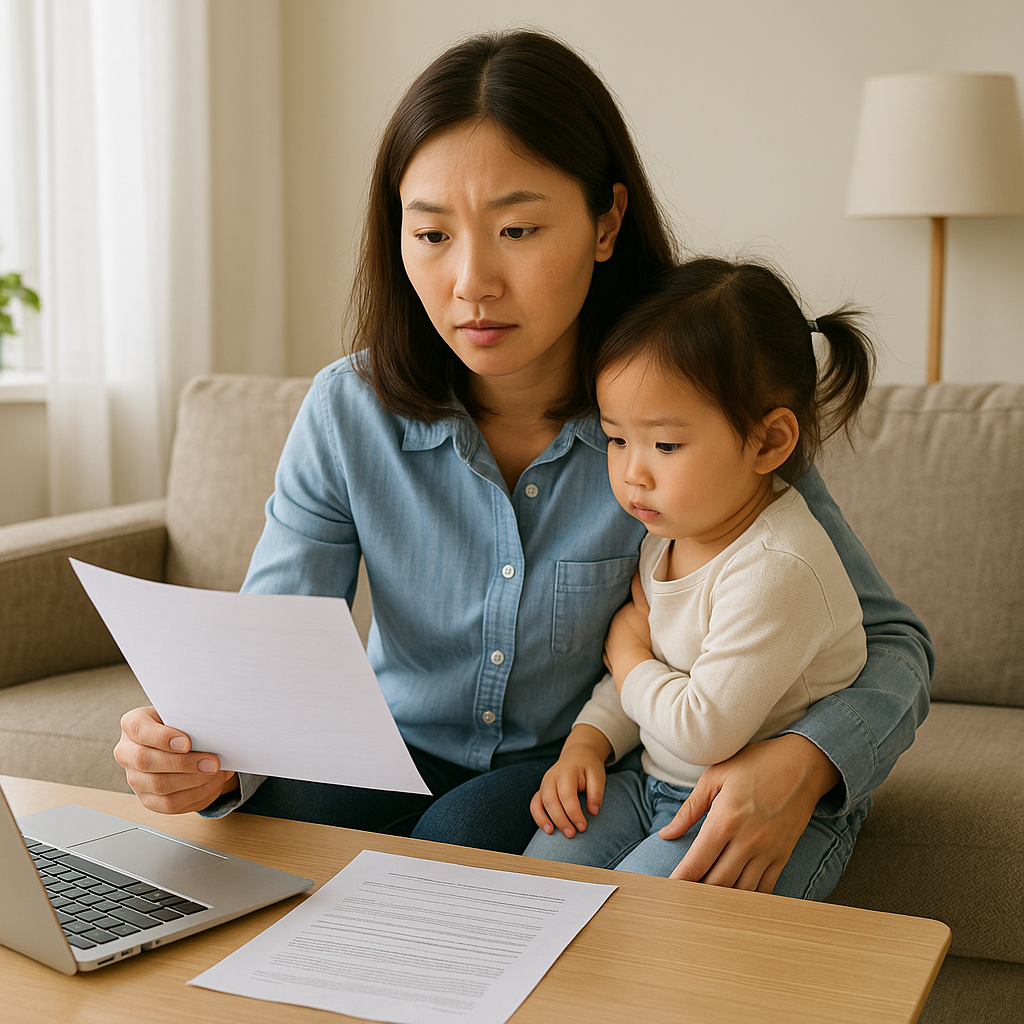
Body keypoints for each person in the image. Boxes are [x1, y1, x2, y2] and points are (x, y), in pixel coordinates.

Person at [113, 30, 933, 894]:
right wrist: (199, 759)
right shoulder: (348, 410)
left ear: (606, 222)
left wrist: (805, 759)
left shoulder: (686, 410)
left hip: (572, 769)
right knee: (245, 841)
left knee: (460, 837)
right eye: (432, 233)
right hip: (387, 749)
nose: (472, 281)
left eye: (517, 229)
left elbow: (892, 643)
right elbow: (264, 661)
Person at [525, 258, 878, 897]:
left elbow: (701, 727)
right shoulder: (669, 533)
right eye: (616, 439)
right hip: (654, 779)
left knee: (644, 922)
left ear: (768, 443)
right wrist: (588, 743)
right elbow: (652, 675)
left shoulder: (778, 567)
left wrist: (625, 651)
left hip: (759, 808)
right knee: (539, 881)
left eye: (665, 446)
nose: (633, 473)